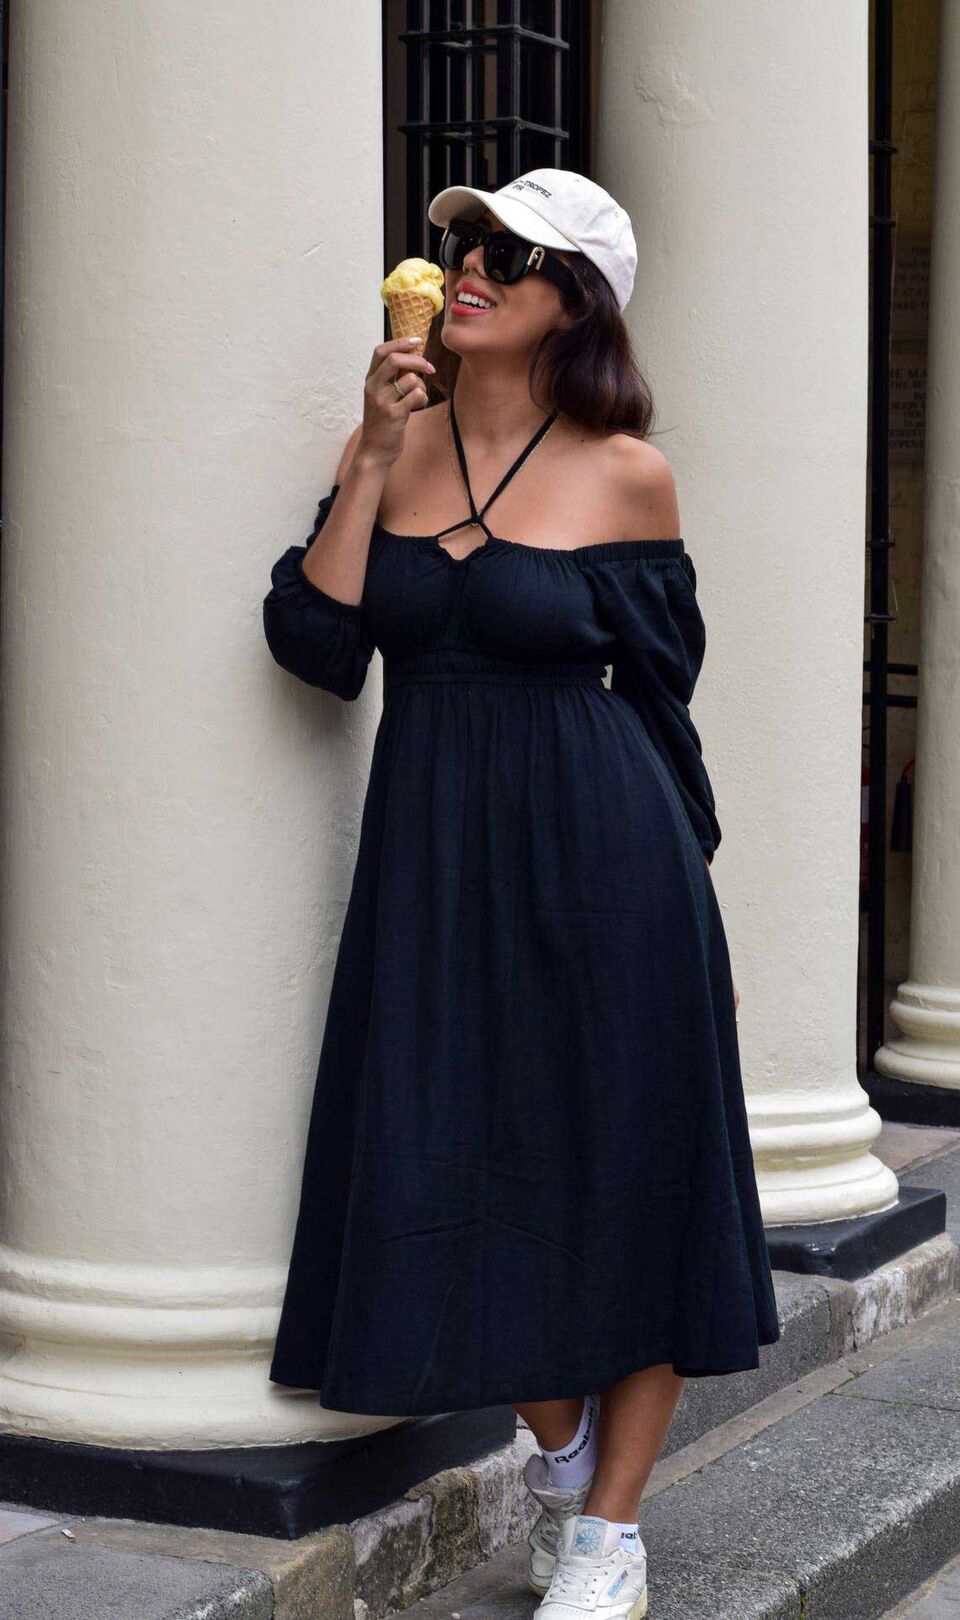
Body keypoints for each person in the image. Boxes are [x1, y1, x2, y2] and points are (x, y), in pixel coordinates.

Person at [262, 169, 780, 1619]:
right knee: (460, 1157)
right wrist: (367, 457)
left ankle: (609, 1529)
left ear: (577, 301)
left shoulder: (627, 470)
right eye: (460, 244)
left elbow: (666, 704)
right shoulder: (396, 442)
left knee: (633, 1170)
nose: (466, 264)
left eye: (507, 252)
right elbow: (317, 644)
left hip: (610, 861)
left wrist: (702, 898)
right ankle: (556, 1451)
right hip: (439, 868)